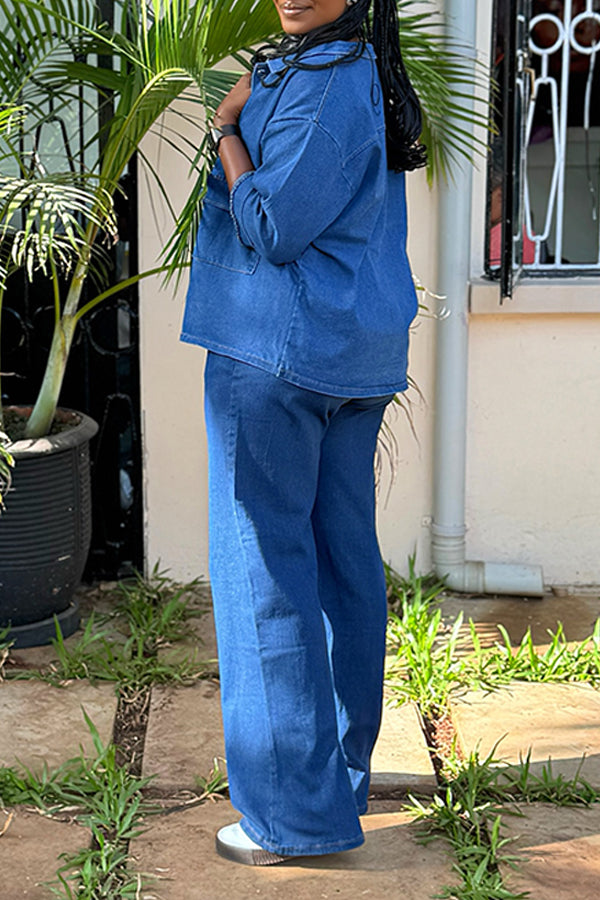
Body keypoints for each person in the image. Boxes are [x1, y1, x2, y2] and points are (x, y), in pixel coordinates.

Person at [180, 0, 425, 867]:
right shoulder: (346, 70)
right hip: (345, 356)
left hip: (278, 355)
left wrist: (226, 134)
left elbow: (276, 227)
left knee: (266, 574)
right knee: (337, 563)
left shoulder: (328, 82)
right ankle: (335, 781)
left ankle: (293, 817)